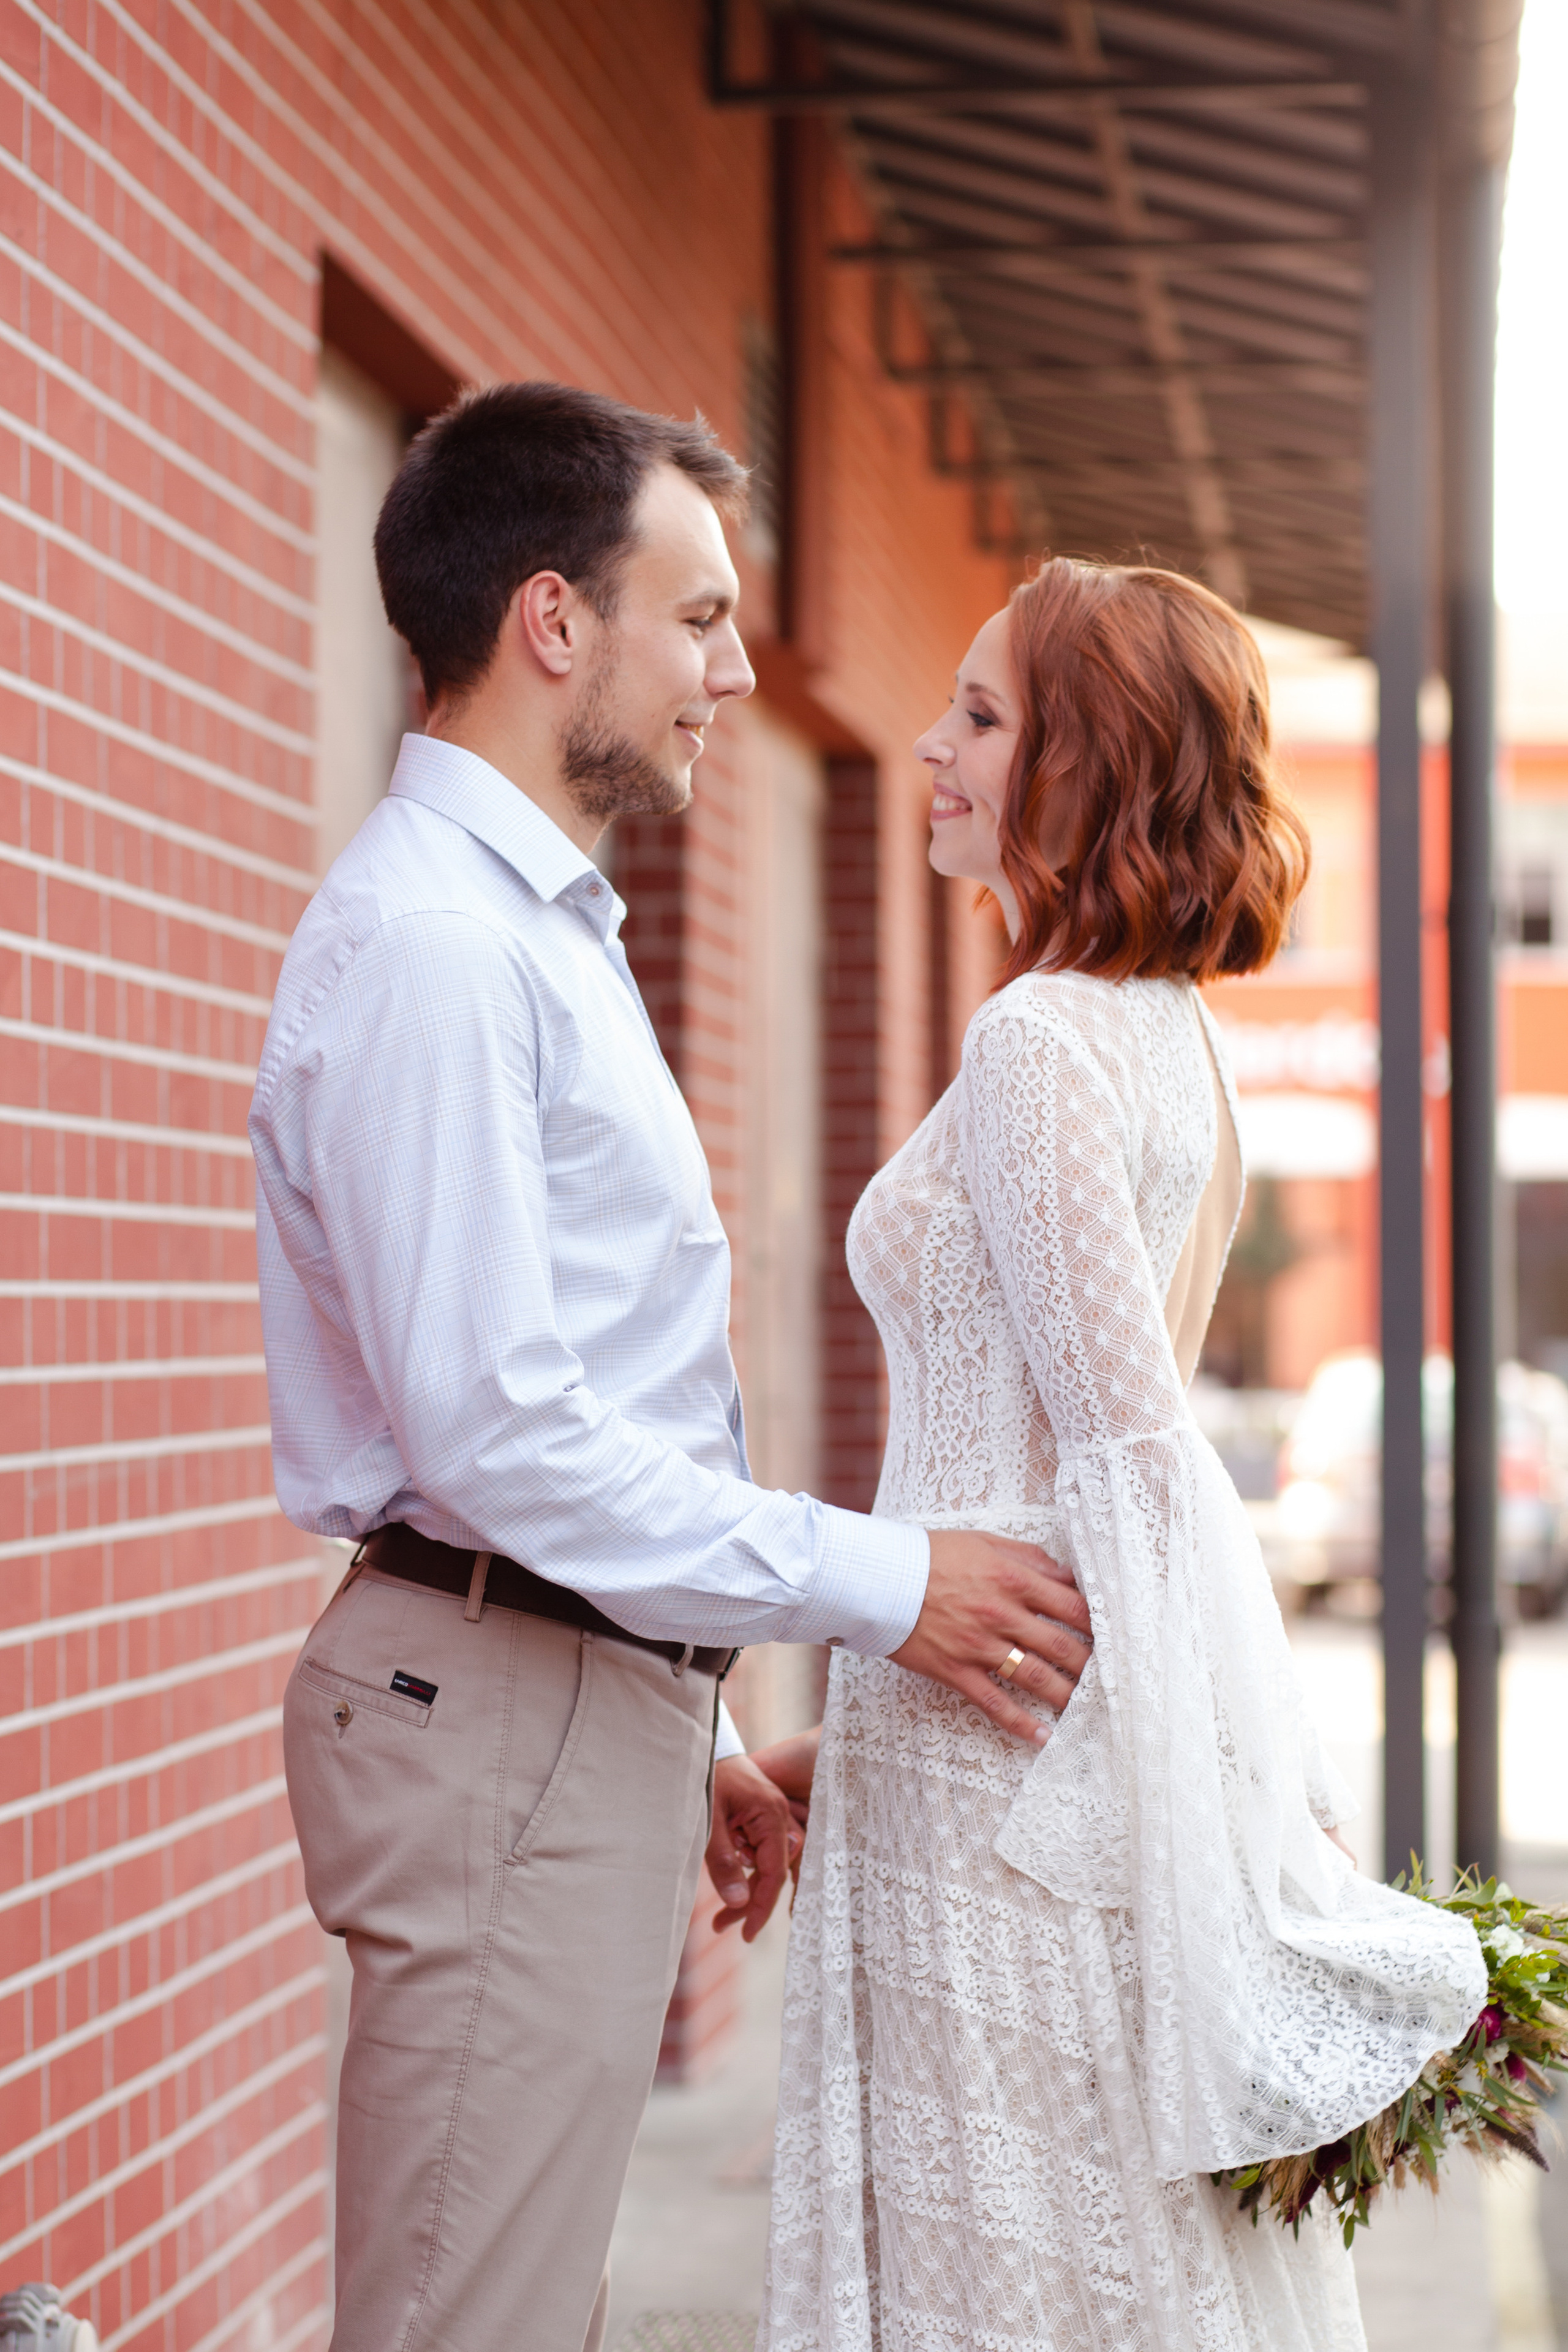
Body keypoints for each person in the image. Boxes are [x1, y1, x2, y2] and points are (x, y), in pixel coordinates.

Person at [249, 383, 1093, 2352]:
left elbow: (564, 1410)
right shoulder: (448, 950)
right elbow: (494, 1427)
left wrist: (685, 1723)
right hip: (500, 1705)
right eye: (699, 618)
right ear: (557, 624)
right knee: (475, 2323)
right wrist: (894, 1590)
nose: (730, 669)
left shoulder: (537, 930)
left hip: (555, 1698)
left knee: (524, 2303)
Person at [751, 559, 1488, 2352]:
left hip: (998, 1743)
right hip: (998, 1715)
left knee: (1015, 2283)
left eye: (986, 717)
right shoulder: (1171, 1046)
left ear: (1097, 765)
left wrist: (1267, 1814)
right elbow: (1132, 1461)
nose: (933, 746)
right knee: (1091, 2267)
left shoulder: (1037, 1040)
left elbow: (1134, 1459)